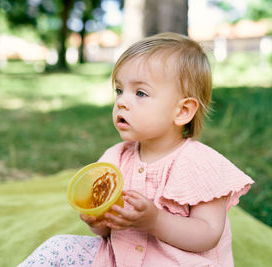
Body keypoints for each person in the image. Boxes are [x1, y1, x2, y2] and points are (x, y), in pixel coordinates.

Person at [18, 32, 254, 267]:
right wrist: (97, 221)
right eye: (119, 90)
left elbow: (208, 235)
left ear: (182, 111)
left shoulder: (201, 163)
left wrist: (155, 221)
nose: (121, 102)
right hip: (118, 258)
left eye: (140, 93)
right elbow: (106, 233)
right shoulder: (114, 159)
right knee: (58, 248)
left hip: (178, 262)